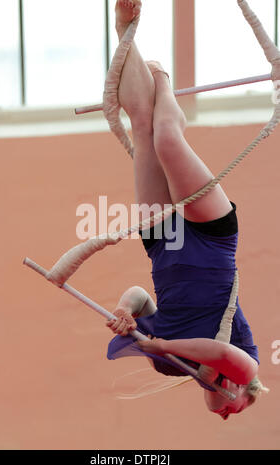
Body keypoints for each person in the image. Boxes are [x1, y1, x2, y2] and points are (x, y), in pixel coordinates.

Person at [106, 0, 267, 420]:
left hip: (162, 246)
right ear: (243, 391)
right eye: (236, 409)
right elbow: (215, 351)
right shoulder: (246, 363)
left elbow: (142, 297)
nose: (226, 413)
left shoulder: (167, 365)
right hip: (211, 239)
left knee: (143, 127)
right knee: (167, 140)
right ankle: (163, 80)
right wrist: (159, 344)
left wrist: (125, 311)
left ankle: (126, 30)